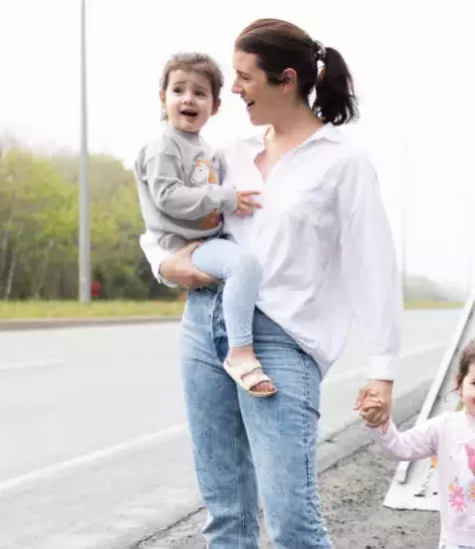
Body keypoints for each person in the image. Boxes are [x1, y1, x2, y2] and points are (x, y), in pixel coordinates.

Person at [139, 18, 402, 549]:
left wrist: (383, 370)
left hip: (281, 343)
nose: (230, 90)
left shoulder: (342, 162)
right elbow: (166, 220)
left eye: (243, 78)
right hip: (204, 326)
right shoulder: (228, 153)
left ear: (286, 80)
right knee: (226, 518)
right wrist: (163, 265)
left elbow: (372, 267)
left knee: (292, 522)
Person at [134, 52, 274, 397]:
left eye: (200, 93)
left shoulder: (203, 147)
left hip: (208, 239)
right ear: (162, 98)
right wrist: (226, 197)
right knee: (243, 265)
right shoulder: (163, 146)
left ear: (215, 105)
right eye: (178, 90)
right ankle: (240, 352)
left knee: (245, 263)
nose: (188, 99)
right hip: (185, 246)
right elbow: (168, 196)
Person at [360, 333, 475, 549]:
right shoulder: (445, 426)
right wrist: (379, 423)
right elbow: (400, 448)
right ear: (459, 384)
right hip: (457, 541)